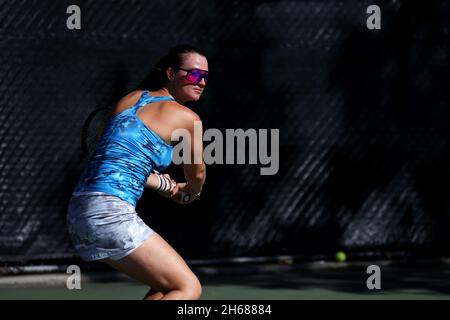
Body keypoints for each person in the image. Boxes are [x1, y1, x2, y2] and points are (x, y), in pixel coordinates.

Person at [67, 44, 208, 300]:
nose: (202, 82)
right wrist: (192, 192)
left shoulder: (129, 100)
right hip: (110, 214)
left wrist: (166, 186)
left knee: (165, 285)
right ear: (171, 73)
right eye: (195, 75)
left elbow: (119, 166)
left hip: (81, 210)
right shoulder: (189, 119)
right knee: (188, 288)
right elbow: (196, 174)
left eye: (206, 78)